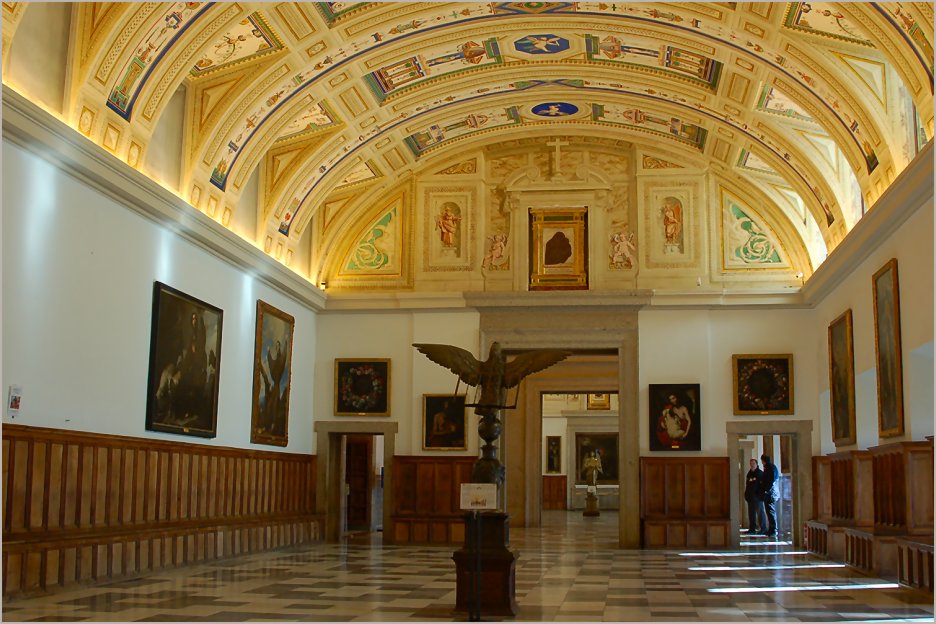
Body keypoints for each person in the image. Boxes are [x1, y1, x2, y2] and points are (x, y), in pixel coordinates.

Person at [744, 458, 767, 535]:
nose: (752, 465)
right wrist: (746, 494)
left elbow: (762, 486)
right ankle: (752, 528)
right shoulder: (749, 473)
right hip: (750, 497)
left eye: (753, 463)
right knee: (751, 513)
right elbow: (747, 485)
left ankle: (763, 528)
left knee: (760, 512)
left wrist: (759, 495)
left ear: (757, 464)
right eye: (751, 464)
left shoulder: (760, 473)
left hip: (757, 497)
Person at [759, 453, 780, 537]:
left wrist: (766, 490)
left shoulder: (770, 468)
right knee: (769, 511)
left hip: (770, 493)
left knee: (771, 511)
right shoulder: (770, 467)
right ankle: (771, 529)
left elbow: (771, 480)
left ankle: (773, 530)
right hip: (770, 493)